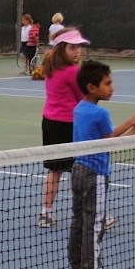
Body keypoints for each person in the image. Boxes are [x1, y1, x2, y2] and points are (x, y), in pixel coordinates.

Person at [67, 60, 135, 269]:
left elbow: (104, 137)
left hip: (77, 171)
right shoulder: (101, 113)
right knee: (95, 222)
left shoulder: (79, 108)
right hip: (96, 173)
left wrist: (130, 123)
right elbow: (109, 143)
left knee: (78, 220)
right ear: (92, 87)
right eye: (107, 83)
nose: (112, 88)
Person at [38, 27, 90, 227]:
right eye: (72, 47)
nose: (77, 51)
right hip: (68, 125)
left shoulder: (50, 67)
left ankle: (46, 213)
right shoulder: (73, 71)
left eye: (78, 47)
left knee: (54, 170)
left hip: (49, 123)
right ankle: (87, 214)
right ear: (61, 49)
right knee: (76, 171)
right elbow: (83, 97)